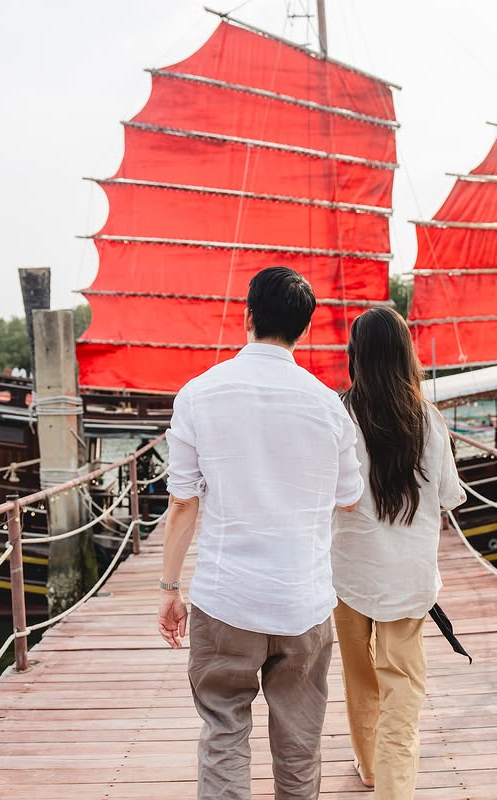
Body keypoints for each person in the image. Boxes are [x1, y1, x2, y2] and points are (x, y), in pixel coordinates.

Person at [157, 266, 364, 800]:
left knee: (223, 733)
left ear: (247, 316)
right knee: (299, 743)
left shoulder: (198, 394)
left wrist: (170, 588)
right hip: (304, 602)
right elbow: (349, 496)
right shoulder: (329, 405)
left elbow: (183, 501)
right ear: (304, 328)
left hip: (225, 598)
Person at [331, 306, 466, 800]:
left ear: (355, 355)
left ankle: (369, 767)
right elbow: (448, 496)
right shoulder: (427, 418)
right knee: (402, 688)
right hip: (408, 577)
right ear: (406, 354)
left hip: (347, 571)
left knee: (359, 676)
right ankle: (392, 790)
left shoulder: (338, 415)